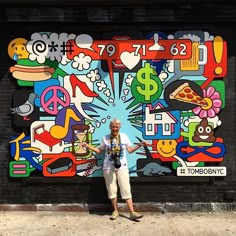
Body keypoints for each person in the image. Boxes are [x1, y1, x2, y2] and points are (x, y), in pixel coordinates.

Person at [80, 118, 147, 221]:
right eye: (113, 126)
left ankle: (132, 212)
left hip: (122, 166)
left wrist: (139, 145)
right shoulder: (105, 138)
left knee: (126, 189)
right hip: (108, 167)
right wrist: (87, 146)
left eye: (117, 126)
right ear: (110, 127)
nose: (115, 128)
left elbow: (130, 150)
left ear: (119, 127)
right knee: (111, 189)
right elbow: (99, 150)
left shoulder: (124, 137)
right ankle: (115, 211)